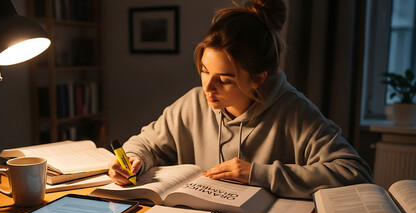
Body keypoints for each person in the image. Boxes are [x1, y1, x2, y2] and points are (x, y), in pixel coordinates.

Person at [108, 0, 373, 199]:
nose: (208, 87)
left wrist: (257, 174)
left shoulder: (294, 112)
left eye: (224, 79)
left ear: (258, 78)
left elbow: (355, 173)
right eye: (204, 71)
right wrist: (133, 158)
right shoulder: (193, 104)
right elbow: (146, 143)